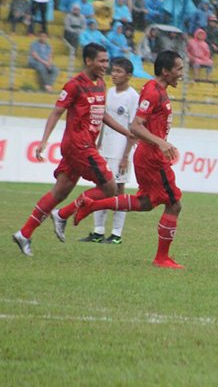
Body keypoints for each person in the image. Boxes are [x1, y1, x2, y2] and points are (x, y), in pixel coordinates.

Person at [12, 43, 133, 256]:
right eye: (102, 61)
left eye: (107, 61)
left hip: (84, 145)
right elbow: (56, 112)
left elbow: (102, 115)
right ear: (88, 61)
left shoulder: (100, 84)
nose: (106, 65)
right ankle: (63, 215)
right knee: (110, 188)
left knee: (59, 192)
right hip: (79, 146)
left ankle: (24, 234)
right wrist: (44, 141)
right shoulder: (74, 85)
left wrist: (126, 132)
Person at [73, 51, 186, 269]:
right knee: (174, 204)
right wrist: (161, 143)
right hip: (153, 156)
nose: (181, 74)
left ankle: (93, 205)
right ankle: (162, 258)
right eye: (178, 69)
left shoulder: (157, 90)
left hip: (148, 154)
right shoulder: (153, 91)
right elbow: (136, 126)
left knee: (145, 203)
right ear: (165, 71)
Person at [79, 58, 139, 245]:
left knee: (119, 191)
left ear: (128, 75)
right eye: (113, 70)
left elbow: (133, 129)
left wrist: (126, 156)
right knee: (102, 188)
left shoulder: (132, 97)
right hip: (105, 148)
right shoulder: (109, 92)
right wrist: (98, 143)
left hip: (120, 151)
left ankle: (116, 234)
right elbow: (105, 120)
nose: (114, 74)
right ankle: (98, 232)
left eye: (119, 71)